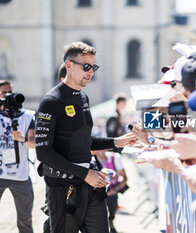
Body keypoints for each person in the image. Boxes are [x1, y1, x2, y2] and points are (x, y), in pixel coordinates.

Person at [35, 41, 136, 233]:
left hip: (90, 185)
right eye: (86, 66)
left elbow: (84, 141)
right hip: (62, 187)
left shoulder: (83, 97)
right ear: (69, 65)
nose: (91, 72)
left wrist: (117, 142)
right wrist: (85, 174)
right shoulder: (51, 101)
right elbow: (43, 152)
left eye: (94, 67)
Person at [0, 80, 35, 233]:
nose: (8, 96)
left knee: (25, 220)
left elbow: (34, 144)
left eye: (10, 92)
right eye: (4, 93)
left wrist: (23, 139)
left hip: (20, 176)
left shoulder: (26, 116)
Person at [42, 62, 67, 233]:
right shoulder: (51, 102)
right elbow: (43, 150)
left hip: (74, 175)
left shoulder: (81, 101)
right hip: (55, 174)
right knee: (54, 221)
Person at [95, 150, 127, 233]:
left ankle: (111, 221)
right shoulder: (90, 159)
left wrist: (115, 190)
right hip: (96, 190)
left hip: (111, 190)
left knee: (112, 200)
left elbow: (125, 178)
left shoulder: (114, 157)